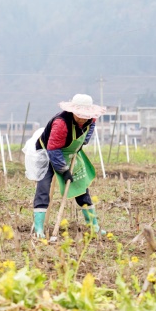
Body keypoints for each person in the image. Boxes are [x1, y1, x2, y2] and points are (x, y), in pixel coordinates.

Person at [31, 94, 106, 238]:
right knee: (43, 188)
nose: (83, 118)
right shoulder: (61, 123)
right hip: (47, 152)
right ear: (73, 111)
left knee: (81, 188)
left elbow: (89, 130)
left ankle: (93, 226)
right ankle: (39, 229)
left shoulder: (91, 119)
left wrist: (82, 142)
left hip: (70, 152)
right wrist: (64, 170)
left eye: (86, 115)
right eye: (80, 115)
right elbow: (53, 149)